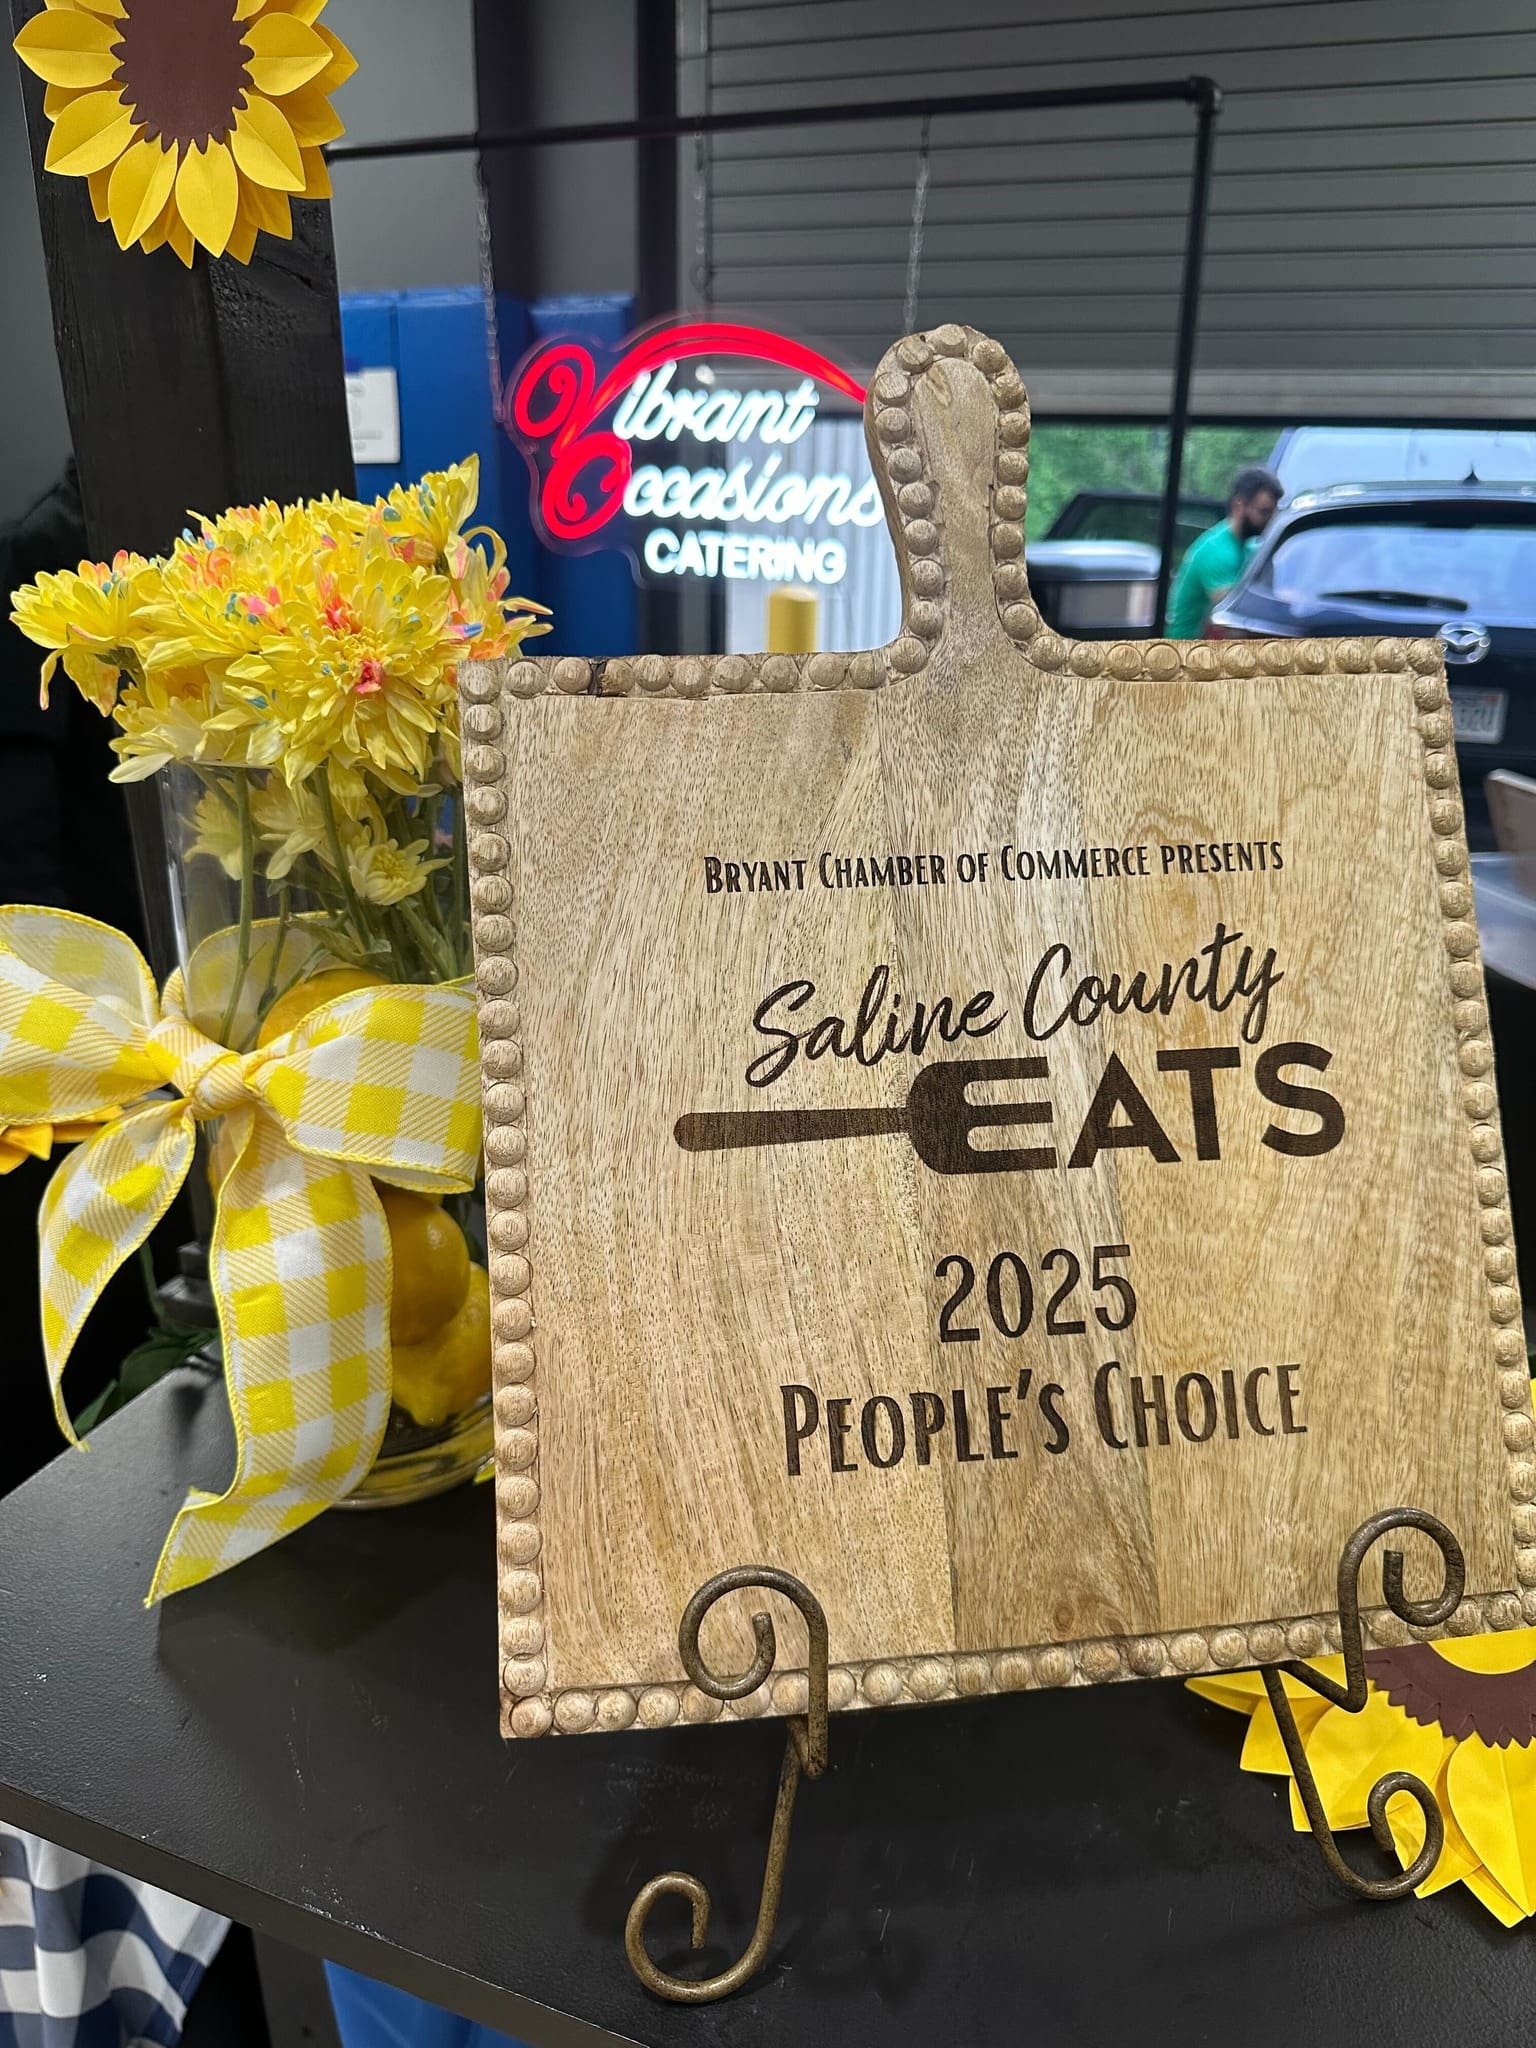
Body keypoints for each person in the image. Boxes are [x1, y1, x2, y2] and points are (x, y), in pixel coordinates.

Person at [1166, 465, 1282, 640]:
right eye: (1263, 512)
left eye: (1273, 514)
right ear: (1238, 505)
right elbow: (1233, 618)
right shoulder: (1217, 552)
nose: (1271, 521)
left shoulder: (1249, 546)